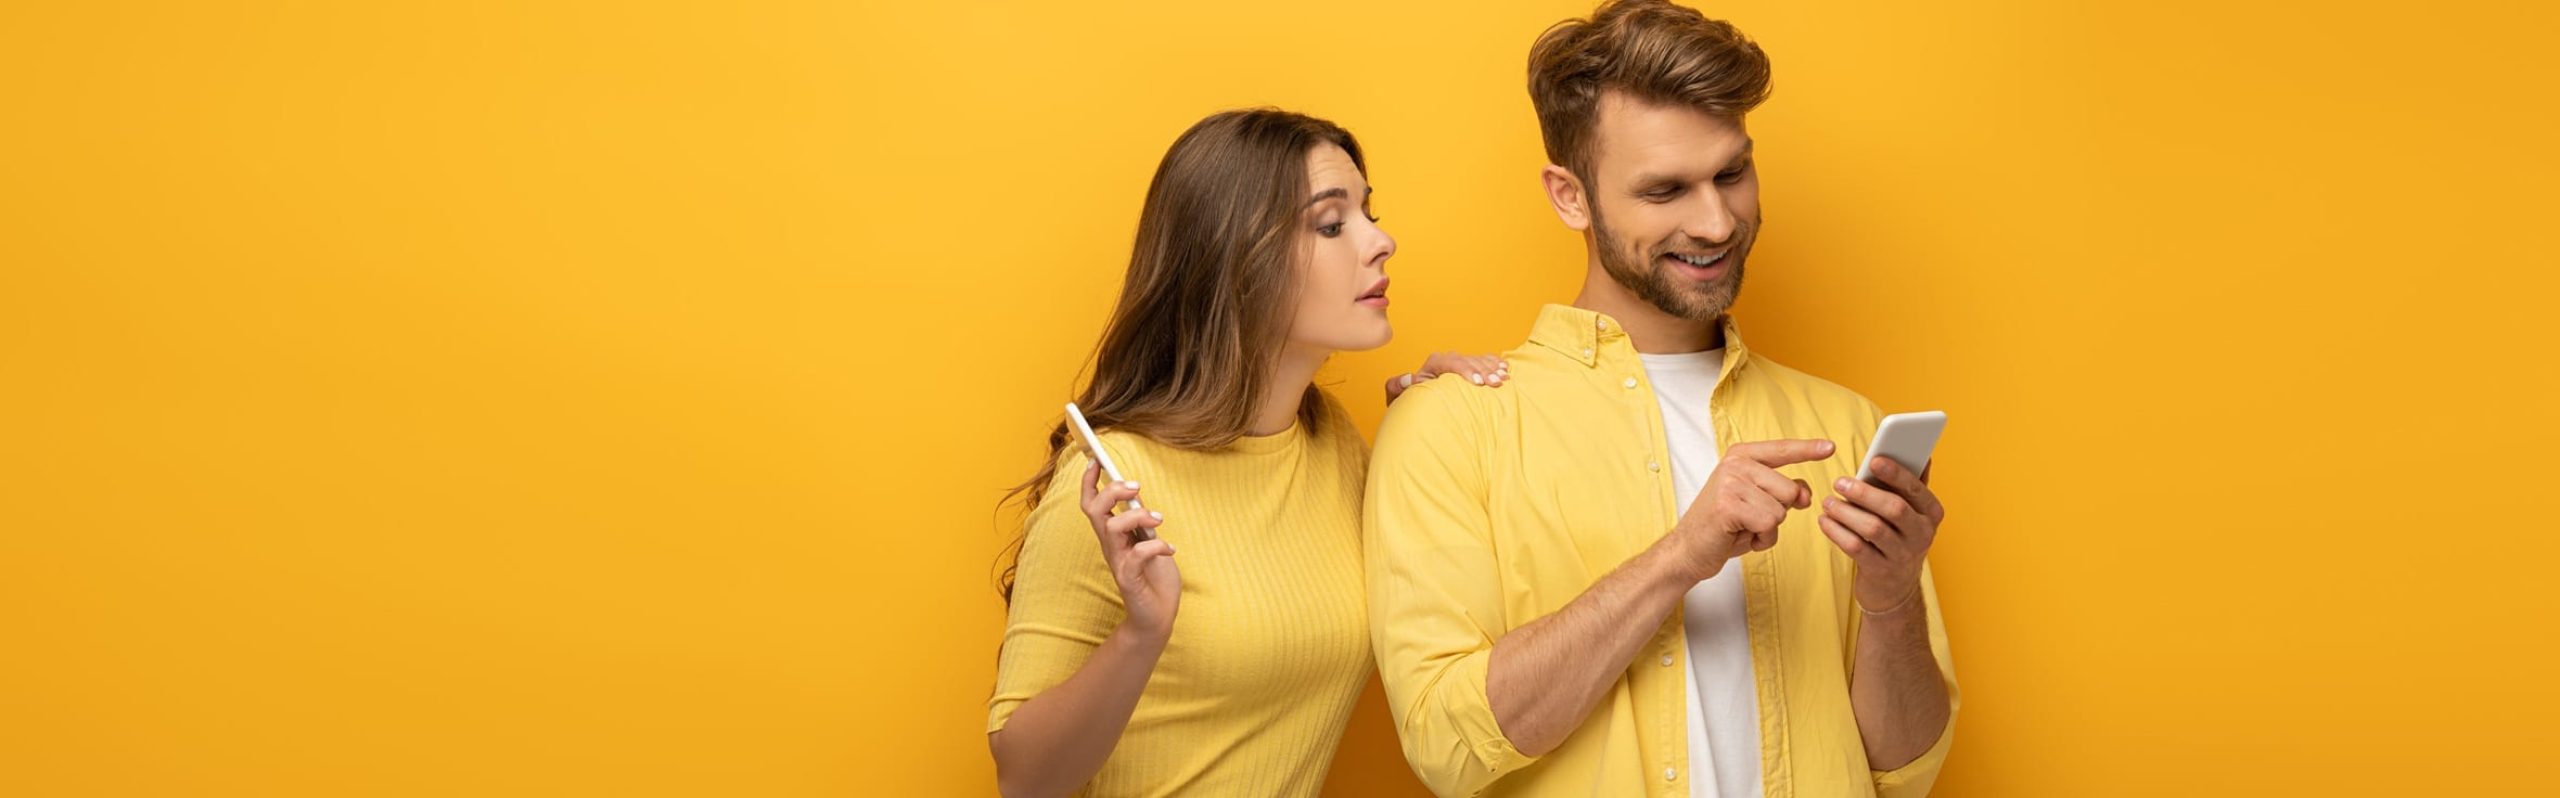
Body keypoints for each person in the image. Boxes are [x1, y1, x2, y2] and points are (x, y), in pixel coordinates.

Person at [1365, 2, 1959, 796]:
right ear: (1570, 196)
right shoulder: (1449, 427)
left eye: (1732, 173)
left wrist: (1889, 606)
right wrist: (1682, 555)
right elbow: (1448, 747)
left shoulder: (1843, 426)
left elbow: (1904, 770)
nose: (1716, 222)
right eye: (1665, 190)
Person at [986, 108, 1510, 798]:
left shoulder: (1333, 447)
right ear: (1238, 260)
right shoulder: (1116, 485)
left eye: (1368, 213)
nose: (1381, 242)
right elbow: (1026, 780)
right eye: (1331, 225)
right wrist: (1141, 634)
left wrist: (1434, 432)